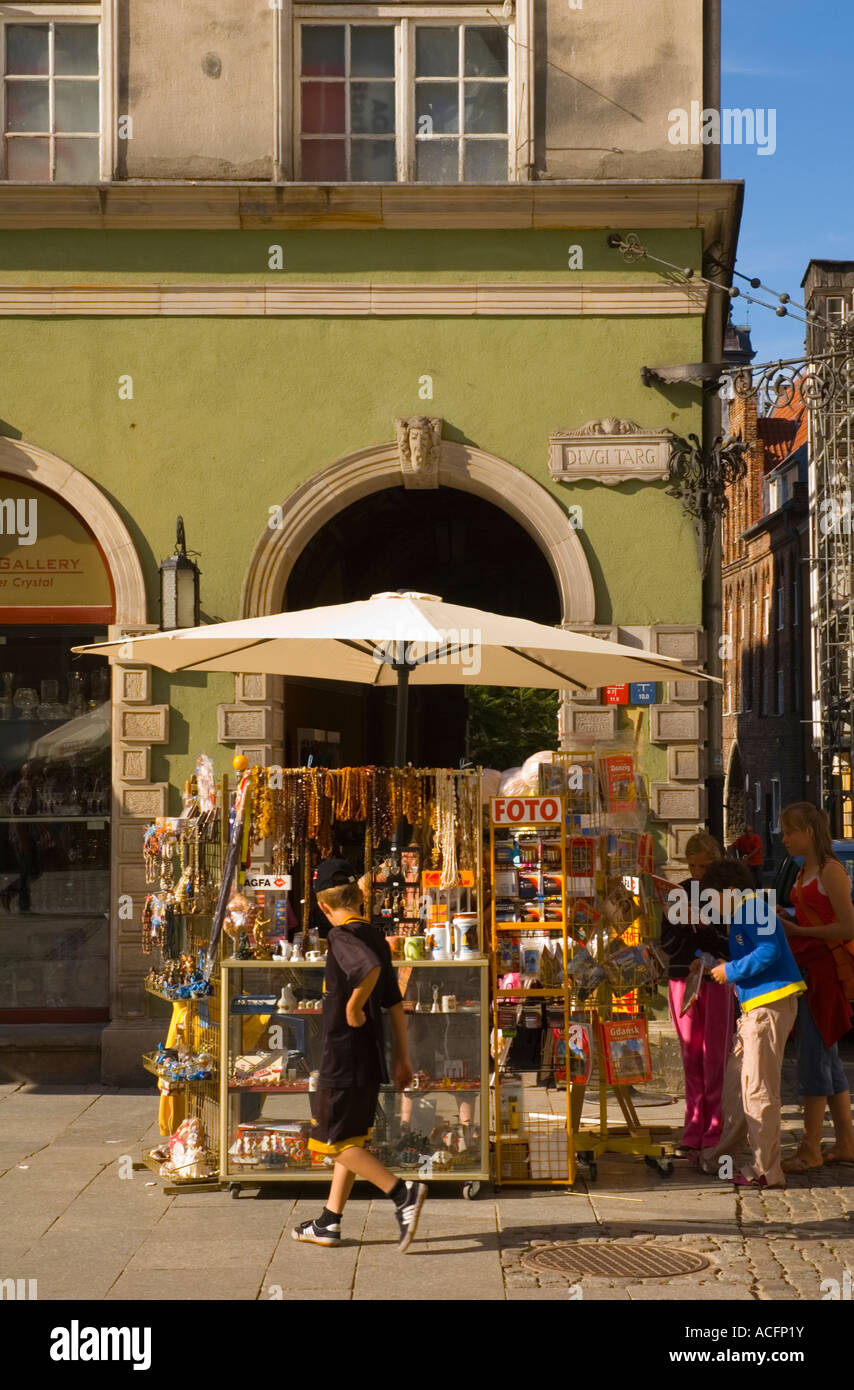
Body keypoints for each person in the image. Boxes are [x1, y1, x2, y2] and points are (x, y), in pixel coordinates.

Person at [292, 857, 427, 1252]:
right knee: (350, 1138)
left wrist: (352, 1008)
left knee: (331, 1142)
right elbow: (395, 1003)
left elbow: (366, 973)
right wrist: (403, 1058)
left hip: (344, 1053)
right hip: (370, 1054)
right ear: (356, 896)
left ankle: (402, 1194)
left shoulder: (341, 936)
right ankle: (328, 1222)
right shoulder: (375, 935)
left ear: (322, 904)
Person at [700, 857, 806, 1188]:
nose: (711, 906)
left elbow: (768, 951)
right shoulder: (747, 909)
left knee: (758, 1090)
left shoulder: (751, 908)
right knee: (738, 1086)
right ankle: (724, 1157)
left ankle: (767, 1170)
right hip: (757, 1007)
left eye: (713, 898)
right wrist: (727, 966)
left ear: (729, 891)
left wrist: (729, 971)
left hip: (767, 1006)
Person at [776, 802, 854, 1173]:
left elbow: (847, 927)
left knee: (813, 1060)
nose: (785, 838)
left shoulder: (830, 871)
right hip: (808, 970)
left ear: (808, 831)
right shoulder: (804, 869)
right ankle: (845, 1142)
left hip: (823, 975)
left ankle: (811, 1149)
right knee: (829, 1061)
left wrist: (798, 930)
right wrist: (787, 917)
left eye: (790, 831)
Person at [659, 832, 733, 1165]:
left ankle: (714, 1128)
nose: (698, 873)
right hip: (683, 977)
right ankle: (693, 1126)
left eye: (704, 866)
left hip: (716, 978)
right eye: (692, 866)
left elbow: (733, 942)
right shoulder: (682, 892)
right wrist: (685, 933)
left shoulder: (728, 893)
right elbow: (668, 940)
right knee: (690, 1054)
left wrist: (702, 930)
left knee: (714, 1055)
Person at [728, 822, 763, 889]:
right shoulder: (742, 839)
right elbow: (733, 846)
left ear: (752, 832)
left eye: (750, 831)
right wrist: (731, 855)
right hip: (748, 863)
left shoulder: (756, 838)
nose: (748, 833)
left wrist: (748, 857)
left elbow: (757, 849)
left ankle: (759, 893)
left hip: (758, 862)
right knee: (751, 879)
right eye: (747, 831)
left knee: (759, 880)